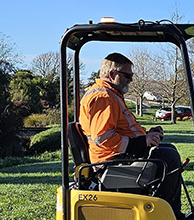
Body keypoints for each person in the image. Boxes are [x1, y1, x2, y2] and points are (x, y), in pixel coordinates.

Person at [78, 52, 183, 210]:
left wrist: (147, 135)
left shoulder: (111, 95)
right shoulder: (103, 97)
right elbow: (103, 138)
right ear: (112, 74)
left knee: (169, 149)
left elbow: (121, 129)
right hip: (110, 160)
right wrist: (142, 142)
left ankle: (164, 211)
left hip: (117, 155)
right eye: (127, 75)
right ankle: (169, 214)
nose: (131, 79)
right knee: (170, 157)